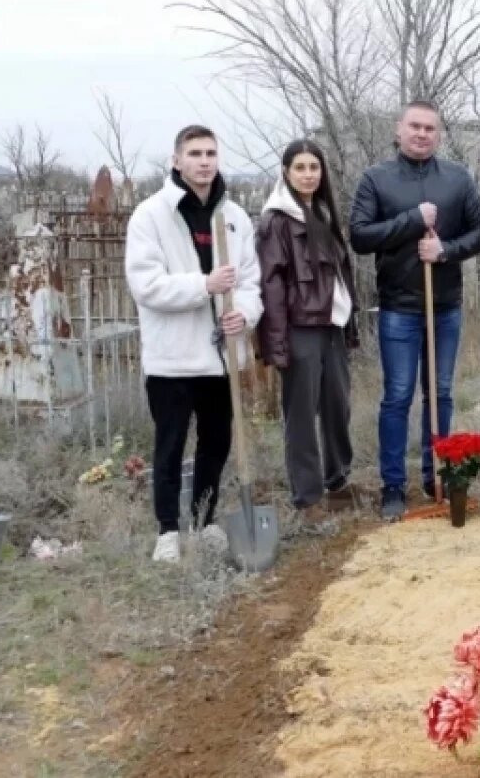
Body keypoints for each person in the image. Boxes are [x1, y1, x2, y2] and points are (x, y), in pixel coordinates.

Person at [125, 124, 263, 563]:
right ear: (176, 160)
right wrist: (203, 285)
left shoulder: (235, 218)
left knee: (216, 442)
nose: (204, 161)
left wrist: (245, 312)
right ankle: (167, 530)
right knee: (170, 445)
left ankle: (205, 522)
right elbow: (147, 286)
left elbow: (251, 282)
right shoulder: (151, 216)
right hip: (173, 358)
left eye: (210, 153)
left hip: (220, 357)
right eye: (195, 153)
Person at [349, 100, 480, 521]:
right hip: (399, 309)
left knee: (440, 393)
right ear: (399, 129)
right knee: (397, 397)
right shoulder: (377, 179)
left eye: (430, 127)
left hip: (444, 307)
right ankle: (393, 485)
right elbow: (359, 235)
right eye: (415, 126)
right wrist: (413, 220)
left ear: (439, 133)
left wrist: (446, 250)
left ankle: (437, 475)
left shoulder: (457, 179)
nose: (422, 133)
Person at [256, 139, 359, 524]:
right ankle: (308, 497)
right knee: (301, 414)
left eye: (313, 167)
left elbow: (340, 277)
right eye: (299, 167)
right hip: (300, 330)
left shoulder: (323, 213)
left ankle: (338, 482)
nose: (308, 174)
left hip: (331, 327)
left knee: (337, 406)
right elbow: (272, 286)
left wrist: (348, 326)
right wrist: (278, 344)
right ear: (286, 172)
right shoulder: (276, 221)